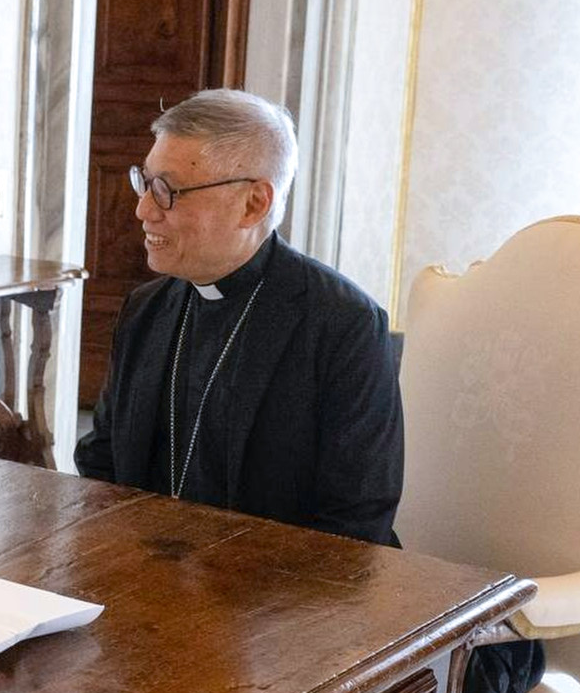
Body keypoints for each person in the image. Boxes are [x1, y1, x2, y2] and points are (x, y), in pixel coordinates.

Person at [73, 89, 403, 545]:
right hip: (147, 577)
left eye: (168, 191)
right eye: (145, 182)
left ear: (253, 204)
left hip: (283, 598)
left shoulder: (344, 325)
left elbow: (356, 518)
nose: (143, 210)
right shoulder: (144, 310)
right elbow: (101, 463)